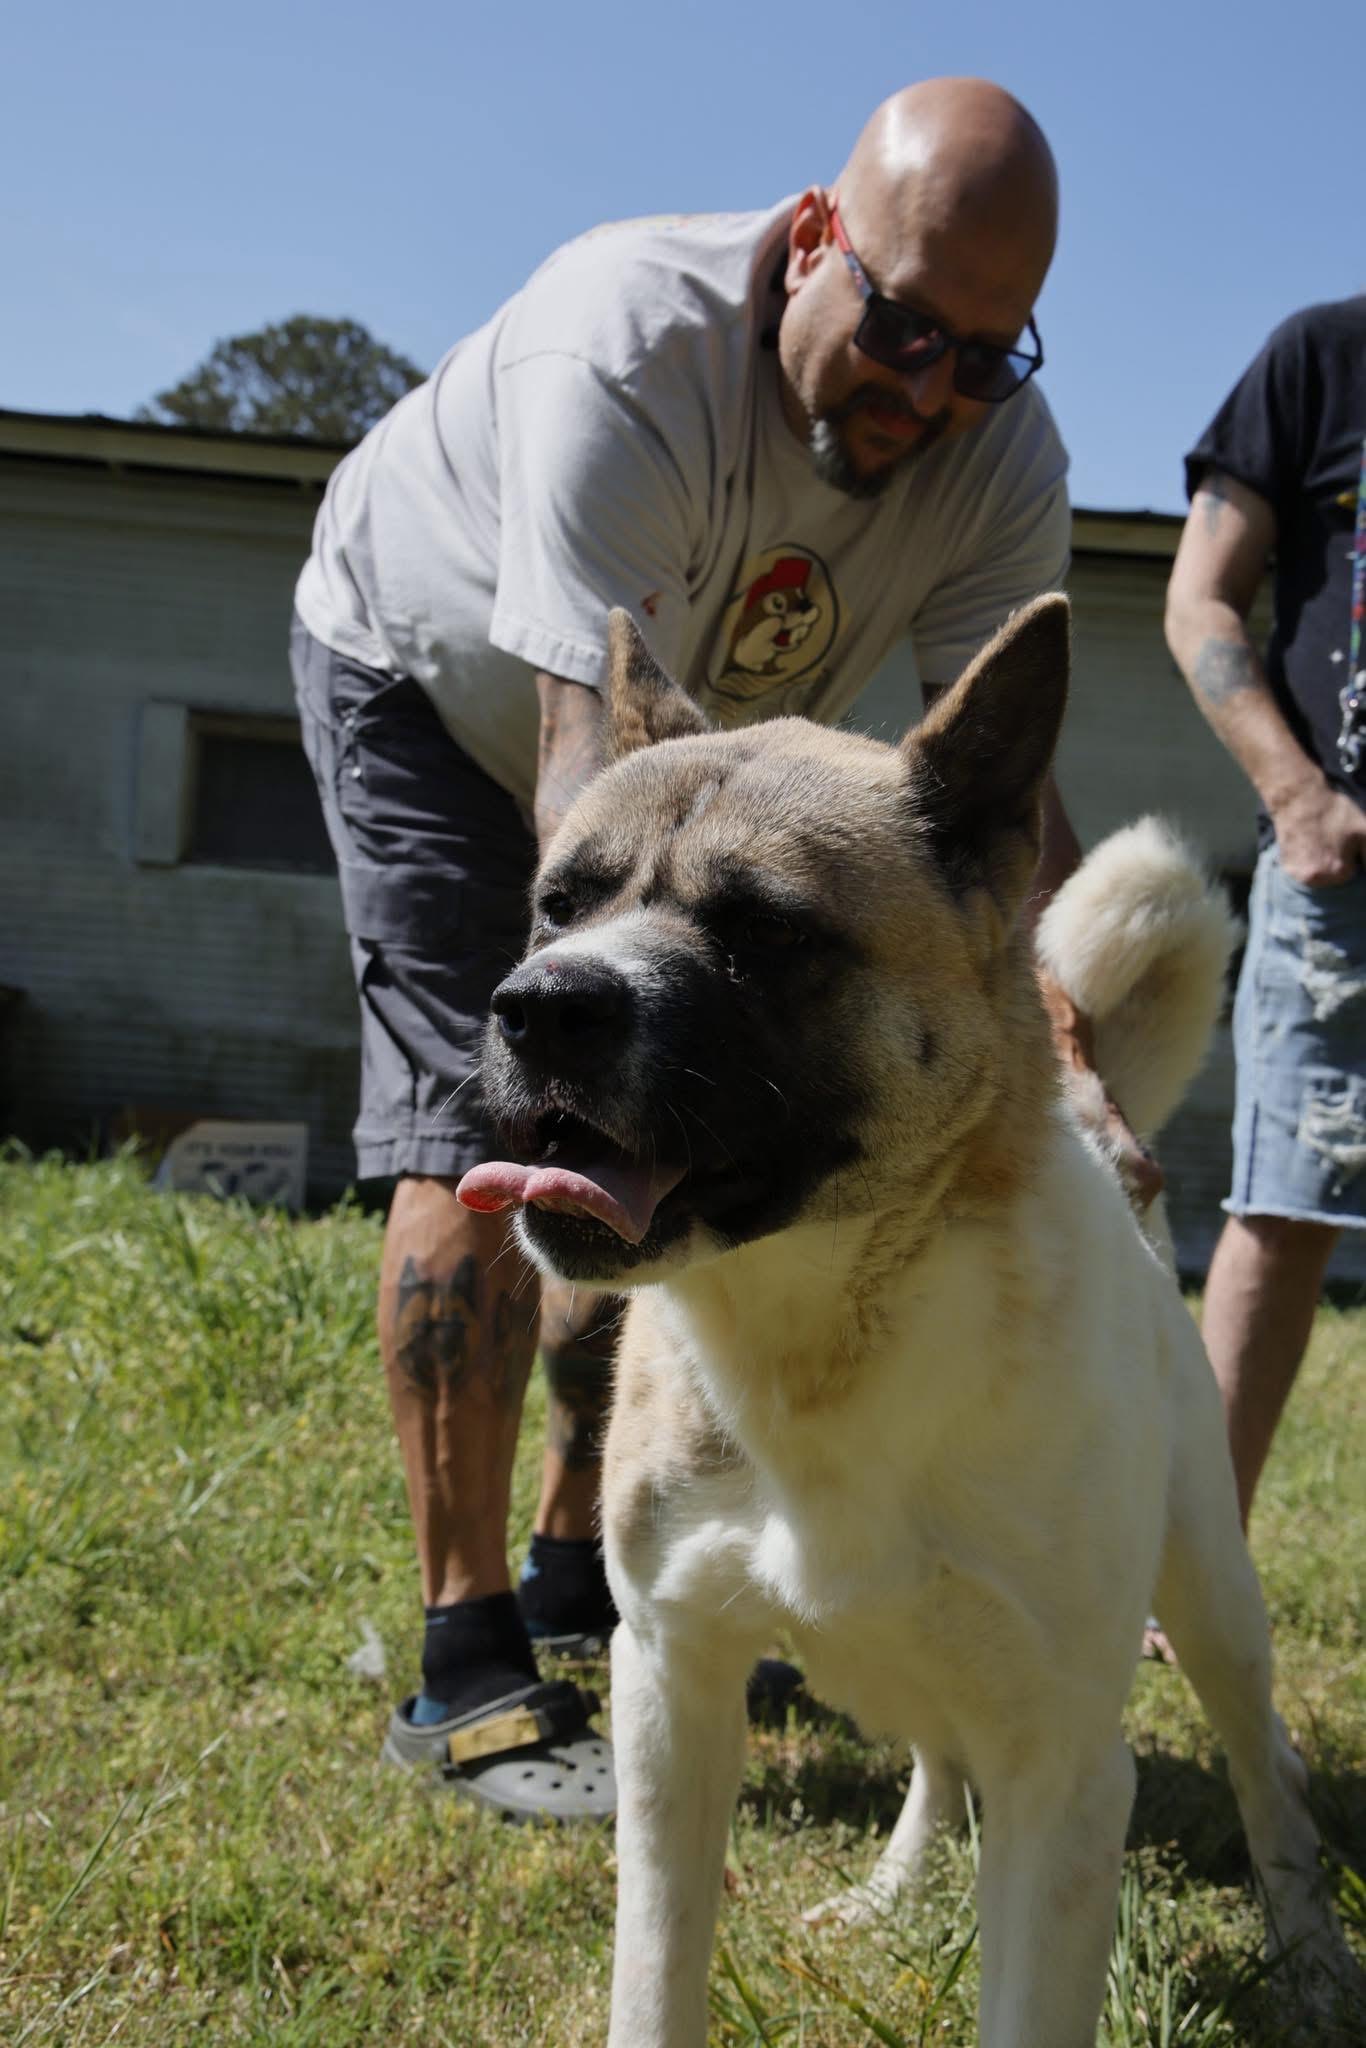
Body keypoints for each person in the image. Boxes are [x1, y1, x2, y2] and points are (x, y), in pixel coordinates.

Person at [291, 76, 1121, 1820]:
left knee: (697, 1131)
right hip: (450, 692)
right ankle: (468, 1666)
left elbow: (984, 816)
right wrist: (598, 1012)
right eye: (901, 328)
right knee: (513, 1104)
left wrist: (1061, 1032)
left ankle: (588, 1564)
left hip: (715, 774)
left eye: (986, 354)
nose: (930, 393)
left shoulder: (996, 456)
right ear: (815, 237)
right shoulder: (624, 346)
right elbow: (584, 792)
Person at [1165, 295, 1366, 1532]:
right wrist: (1297, 798)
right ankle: (1192, 1553)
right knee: (1284, 1210)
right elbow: (1198, 601)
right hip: (1337, 870)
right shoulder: (1322, 358)